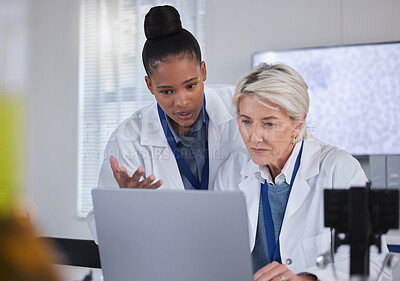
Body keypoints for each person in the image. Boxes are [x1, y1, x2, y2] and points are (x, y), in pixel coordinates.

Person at [214, 63, 391, 280]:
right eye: (246, 121)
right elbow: (217, 254)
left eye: (269, 124)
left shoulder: (340, 170)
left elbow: (373, 264)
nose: (254, 136)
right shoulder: (231, 171)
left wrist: (307, 279)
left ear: (298, 124)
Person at [87, 5, 243, 241]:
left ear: (203, 71)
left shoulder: (240, 108)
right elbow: (103, 234)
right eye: (167, 91)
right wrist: (124, 206)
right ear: (150, 86)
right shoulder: (129, 139)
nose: (182, 102)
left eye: (191, 85)